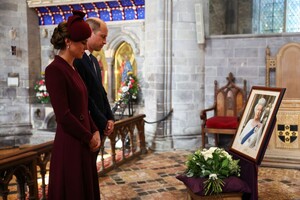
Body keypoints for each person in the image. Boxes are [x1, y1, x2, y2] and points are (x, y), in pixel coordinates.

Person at [45, 11, 101, 200]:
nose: (86, 47)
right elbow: (64, 115)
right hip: (70, 142)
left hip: (82, 140)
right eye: (82, 42)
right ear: (68, 41)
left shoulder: (73, 67)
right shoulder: (54, 70)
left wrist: (94, 130)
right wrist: (88, 136)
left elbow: (83, 107)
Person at [74, 18, 114, 140]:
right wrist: (102, 122)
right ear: (90, 32)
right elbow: (86, 97)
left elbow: (101, 92)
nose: (105, 42)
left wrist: (110, 117)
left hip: (100, 125)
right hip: (89, 126)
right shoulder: (78, 60)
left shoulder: (95, 61)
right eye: (102, 36)